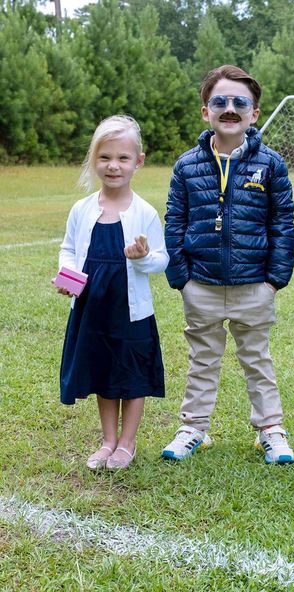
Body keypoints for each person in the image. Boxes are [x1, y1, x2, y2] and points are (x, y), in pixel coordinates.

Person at [162, 65, 294, 464]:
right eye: (220, 101)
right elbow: (174, 221)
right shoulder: (187, 165)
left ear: (254, 113)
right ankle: (194, 429)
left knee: (257, 359)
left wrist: (274, 279)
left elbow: (282, 222)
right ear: (206, 111)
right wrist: (181, 278)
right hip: (200, 284)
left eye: (241, 102)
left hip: (254, 284)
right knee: (202, 360)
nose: (230, 108)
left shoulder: (270, 164)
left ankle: (270, 430)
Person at [56, 115, 169, 470]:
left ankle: (127, 443)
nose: (113, 165)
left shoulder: (145, 213)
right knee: (104, 371)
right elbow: (69, 249)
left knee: (131, 375)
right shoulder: (82, 209)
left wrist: (142, 258)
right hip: (93, 307)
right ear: (94, 160)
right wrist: (68, 276)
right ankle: (107, 440)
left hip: (130, 310)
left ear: (139, 161)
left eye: (122, 158)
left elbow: (161, 260)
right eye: (105, 157)